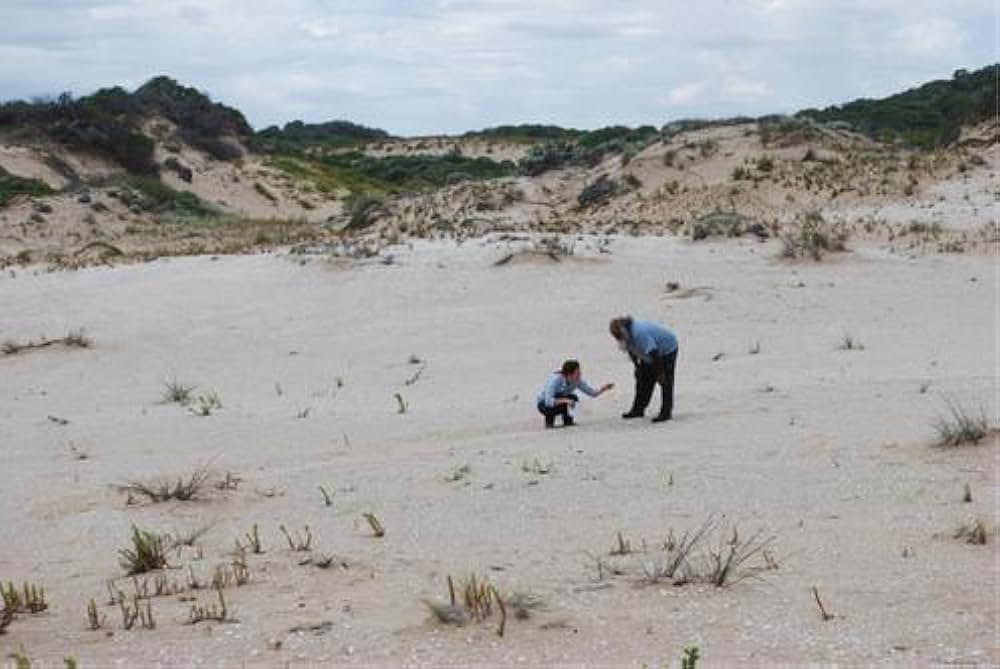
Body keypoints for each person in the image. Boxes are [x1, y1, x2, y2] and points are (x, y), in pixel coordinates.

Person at [609, 316, 678, 423]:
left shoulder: (639, 334)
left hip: (667, 349)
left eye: (620, 336)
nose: (619, 339)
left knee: (665, 382)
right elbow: (631, 351)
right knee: (642, 379)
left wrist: (659, 374)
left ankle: (666, 413)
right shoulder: (625, 336)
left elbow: (654, 354)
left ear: (624, 330)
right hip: (649, 353)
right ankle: (638, 410)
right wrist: (637, 367)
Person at [536, 360, 614, 428]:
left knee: (573, 398)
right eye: (577, 373)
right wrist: (566, 400)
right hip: (543, 404)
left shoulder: (577, 381)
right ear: (569, 374)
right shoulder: (555, 380)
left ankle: (568, 421)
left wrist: (603, 389)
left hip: (560, 399)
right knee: (564, 401)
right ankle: (549, 423)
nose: (580, 374)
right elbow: (548, 401)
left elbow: (592, 393)